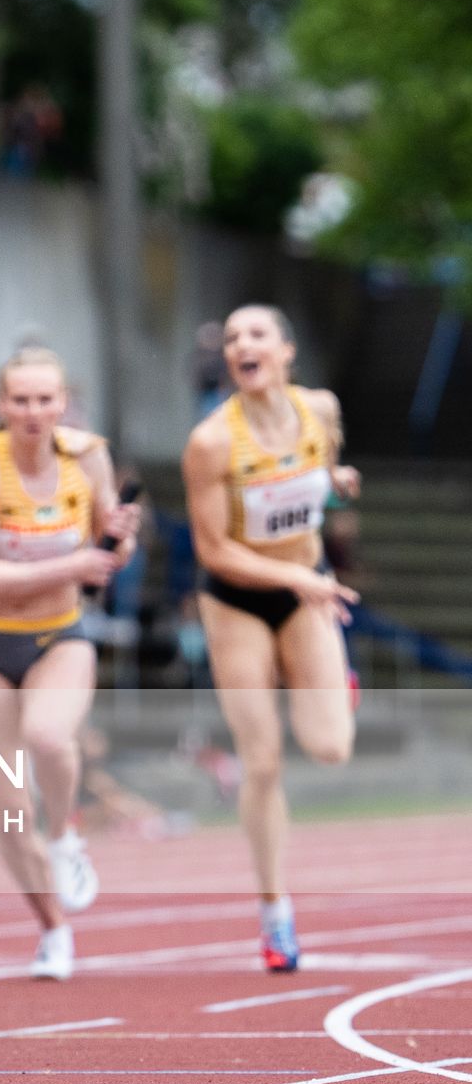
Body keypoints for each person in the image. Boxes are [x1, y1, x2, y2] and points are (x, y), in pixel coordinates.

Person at [0, 346, 138, 981]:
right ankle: (54, 930)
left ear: (64, 403)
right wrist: (74, 565)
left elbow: (109, 542)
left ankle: (68, 836)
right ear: (0, 406)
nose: (33, 412)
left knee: (49, 735)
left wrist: (120, 537)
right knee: (5, 811)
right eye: (20, 401)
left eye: (45, 400)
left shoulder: (88, 456)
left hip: (59, 634)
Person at [182, 304, 360, 973]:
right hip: (238, 602)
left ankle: (336, 685)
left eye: (255, 334)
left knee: (331, 747)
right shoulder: (211, 442)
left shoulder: (320, 409)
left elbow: (325, 471)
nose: (240, 345)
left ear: (286, 350)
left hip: (305, 584)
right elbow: (214, 549)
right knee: (263, 763)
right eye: (230, 337)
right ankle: (275, 912)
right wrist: (298, 582)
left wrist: (334, 486)